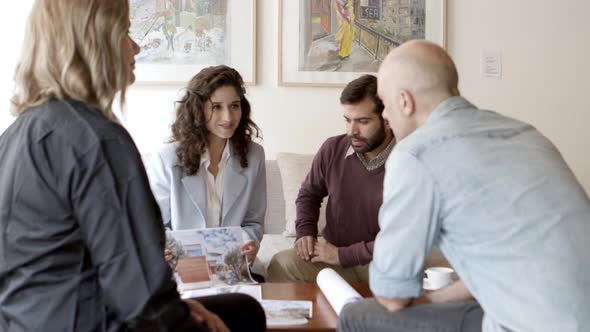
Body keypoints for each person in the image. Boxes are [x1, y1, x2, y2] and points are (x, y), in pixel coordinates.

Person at [0, 1, 265, 331]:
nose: (136, 46)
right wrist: (180, 315)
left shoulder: (15, 135)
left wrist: (180, 304)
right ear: (95, 41)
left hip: (26, 321)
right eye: (125, 31)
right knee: (245, 314)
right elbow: (145, 300)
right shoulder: (98, 141)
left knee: (237, 307)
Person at [339, 40, 590, 332]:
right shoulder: (524, 133)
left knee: (356, 315)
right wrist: (433, 301)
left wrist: (417, 301)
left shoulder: (416, 154)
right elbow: (507, 262)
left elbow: (392, 296)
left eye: (386, 104)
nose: (386, 116)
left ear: (405, 101)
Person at [268, 75, 392, 283]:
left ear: (388, 120)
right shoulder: (333, 148)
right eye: (347, 120)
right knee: (281, 264)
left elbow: (404, 240)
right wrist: (305, 232)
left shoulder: (410, 161)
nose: (352, 131)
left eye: (363, 121)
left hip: (385, 264)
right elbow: (309, 194)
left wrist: (342, 255)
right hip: (333, 259)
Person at [146, 65, 266, 276]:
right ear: (198, 108)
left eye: (234, 105)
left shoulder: (254, 155)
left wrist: (249, 243)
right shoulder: (167, 158)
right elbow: (155, 225)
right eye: (217, 107)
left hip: (232, 267)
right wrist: (161, 248)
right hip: (181, 268)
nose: (228, 117)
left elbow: (253, 221)